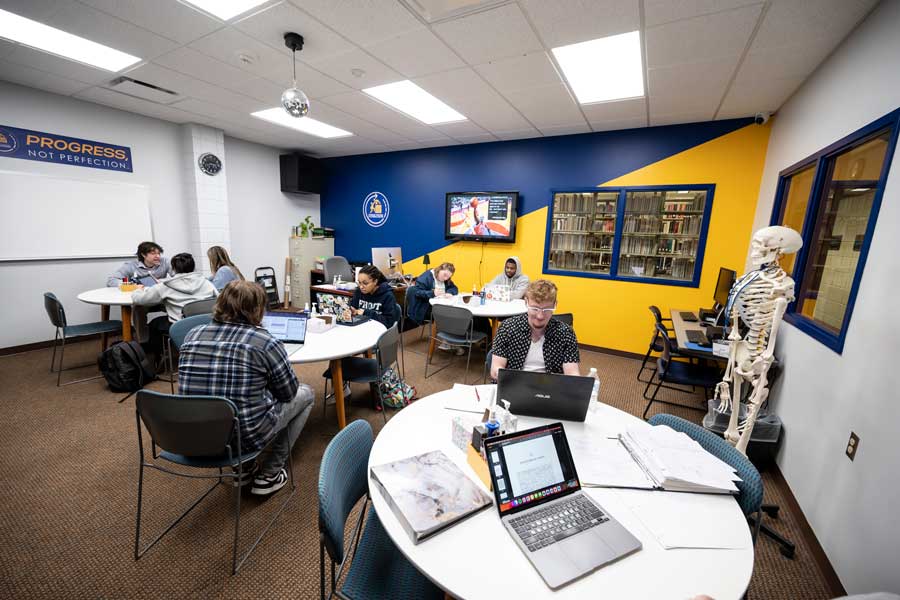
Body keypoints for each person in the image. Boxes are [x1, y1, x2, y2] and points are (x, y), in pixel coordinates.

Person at [178, 280, 315, 496]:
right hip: (244, 436)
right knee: (306, 393)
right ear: (258, 310)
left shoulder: (192, 335)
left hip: (194, 433)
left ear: (220, 303)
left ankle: (243, 470)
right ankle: (270, 474)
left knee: (231, 396)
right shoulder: (265, 342)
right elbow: (288, 393)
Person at [131, 252, 217, 359]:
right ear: (193, 267)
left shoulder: (165, 286)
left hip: (180, 326)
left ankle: (157, 358)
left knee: (154, 324)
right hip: (207, 324)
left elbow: (140, 300)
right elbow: (218, 301)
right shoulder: (206, 283)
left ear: (174, 268)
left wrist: (137, 290)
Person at [490, 279, 580, 381]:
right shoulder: (508, 328)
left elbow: (572, 373)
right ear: (526, 302)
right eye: (535, 309)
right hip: (513, 384)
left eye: (547, 310)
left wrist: (576, 382)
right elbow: (495, 370)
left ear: (555, 305)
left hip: (550, 390)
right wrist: (500, 374)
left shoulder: (565, 333)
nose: (540, 316)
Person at [107, 241, 172, 287]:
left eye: (158, 253)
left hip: (159, 296)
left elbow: (179, 277)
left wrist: (159, 281)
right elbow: (111, 280)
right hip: (141, 299)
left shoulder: (165, 261)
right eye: (153, 253)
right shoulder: (131, 265)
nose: (157, 256)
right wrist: (132, 284)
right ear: (143, 254)